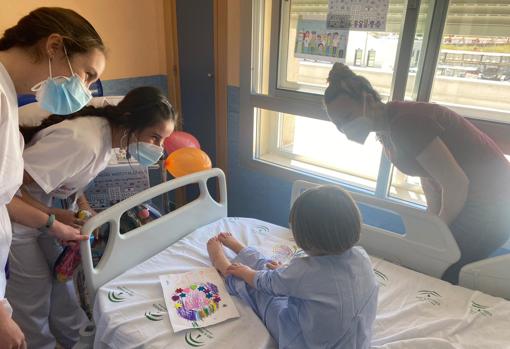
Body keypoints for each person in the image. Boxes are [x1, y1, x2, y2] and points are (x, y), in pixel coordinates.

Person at [7, 86, 176, 348]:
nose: (159, 148)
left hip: (42, 204)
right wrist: (51, 217)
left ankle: (74, 339)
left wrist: (84, 209)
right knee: (35, 294)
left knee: (63, 280)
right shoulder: (84, 142)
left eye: (163, 140)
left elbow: (74, 179)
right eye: (155, 137)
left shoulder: (108, 137)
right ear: (131, 119)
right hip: (14, 214)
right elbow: (8, 188)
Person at [324, 62, 510, 284]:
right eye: (338, 124)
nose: (344, 128)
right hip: (476, 198)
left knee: (442, 270)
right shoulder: (386, 130)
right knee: (429, 262)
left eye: (347, 117)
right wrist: (431, 219)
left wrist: (438, 228)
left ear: (369, 100)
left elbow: (456, 183)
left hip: (493, 204)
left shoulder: (405, 122)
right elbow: (428, 173)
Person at [0, 7, 105, 348]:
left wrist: (57, 221)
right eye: (87, 74)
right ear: (55, 46)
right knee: (32, 307)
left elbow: (6, 194)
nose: (87, 90)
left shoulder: (8, 96)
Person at [208, 185, 378, 349]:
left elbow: (265, 283)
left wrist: (246, 272)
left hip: (302, 342)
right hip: (355, 342)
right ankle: (241, 249)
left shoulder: (305, 272)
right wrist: (286, 274)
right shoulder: (361, 257)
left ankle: (224, 266)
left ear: (305, 239)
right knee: (273, 269)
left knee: (259, 290)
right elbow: (317, 283)